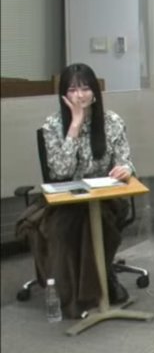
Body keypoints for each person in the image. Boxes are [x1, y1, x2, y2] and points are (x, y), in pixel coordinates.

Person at [15, 63, 136, 318]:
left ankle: (104, 277)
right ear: (63, 94)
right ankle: (77, 292)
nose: (79, 95)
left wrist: (125, 169)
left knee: (100, 221)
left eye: (85, 88)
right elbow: (60, 171)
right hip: (67, 198)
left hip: (105, 197)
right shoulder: (53, 125)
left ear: (95, 92)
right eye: (72, 90)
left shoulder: (113, 122)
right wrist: (75, 125)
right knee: (64, 227)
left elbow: (126, 161)